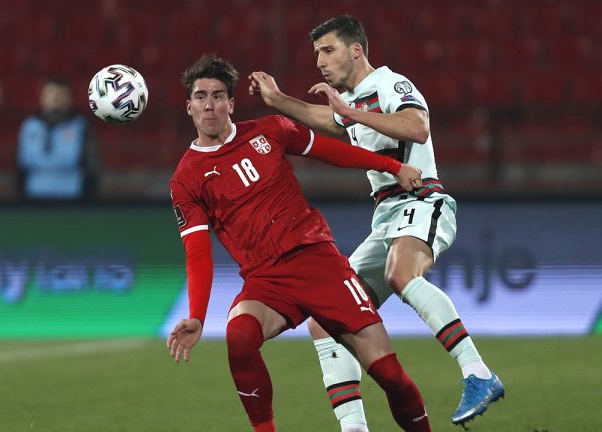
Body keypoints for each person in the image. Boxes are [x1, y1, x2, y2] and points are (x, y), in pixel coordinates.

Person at [249, 15, 504, 429]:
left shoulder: (390, 84)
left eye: (328, 50)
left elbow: (416, 127)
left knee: (401, 274)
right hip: (386, 218)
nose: (320, 61)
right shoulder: (355, 102)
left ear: (356, 50)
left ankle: (477, 372)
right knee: (326, 320)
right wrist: (279, 101)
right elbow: (330, 121)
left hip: (422, 200)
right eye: (316, 53)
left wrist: (350, 112)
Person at [167, 54, 431, 432]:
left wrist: (393, 167)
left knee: (389, 374)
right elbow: (197, 253)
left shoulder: (270, 130)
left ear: (232, 103)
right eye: (201, 96)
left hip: (317, 261)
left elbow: (332, 152)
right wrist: (197, 315)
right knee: (239, 336)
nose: (210, 104)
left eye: (218, 95)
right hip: (266, 280)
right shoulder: (186, 179)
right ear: (188, 106)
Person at [17, 78, 98, 201]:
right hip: (33, 197)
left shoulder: (80, 126)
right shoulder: (30, 126)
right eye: (51, 94)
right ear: (42, 97)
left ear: (69, 99)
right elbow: (20, 166)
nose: (55, 99)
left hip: (72, 196)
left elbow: (92, 166)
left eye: (61, 95)